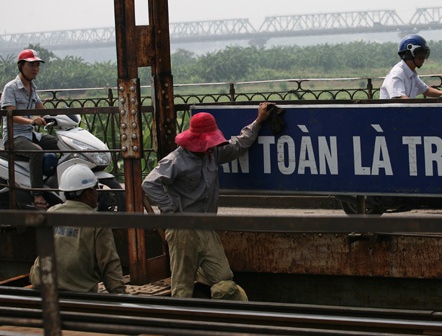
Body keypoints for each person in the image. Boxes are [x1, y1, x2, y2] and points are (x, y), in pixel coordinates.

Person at [142, 102, 274, 299]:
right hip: (183, 228)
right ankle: (183, 323)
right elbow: (150, 183)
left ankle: (212, 305)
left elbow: (239, 144)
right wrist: (171, 210)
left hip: (206, 225)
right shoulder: (176, 160)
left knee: (223, 276)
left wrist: (258, 121)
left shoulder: (212, 154)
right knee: (182, 284)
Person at [29, 164, 127, 294]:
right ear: (87, 194)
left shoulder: (51, 212)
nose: (97, 193)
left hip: (42, 286)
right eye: (95, 189)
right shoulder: (97, 221)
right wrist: (120, 296)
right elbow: (109, 264)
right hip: (77, 293)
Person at [1, 49, 58, 209]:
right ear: (21, 66)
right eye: (31, 65)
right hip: (15, 136)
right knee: (36, 152)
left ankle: (56, 185)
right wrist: (31, 121)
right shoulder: (11, 88)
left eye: (37, 65)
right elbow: (9, 115)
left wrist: (57, 116)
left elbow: (41, 109)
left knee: (57, 143)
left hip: (29, 134)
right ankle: (37, 193)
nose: (35, 69)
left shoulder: (32, 87)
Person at [379, 34, 442, 99]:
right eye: (420, 56)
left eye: (425, 55)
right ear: (409, 54)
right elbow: (400, 98)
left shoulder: (411, 74)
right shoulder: (397, 74)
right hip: (392, 110)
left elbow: (426, 90)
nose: (423, 59)